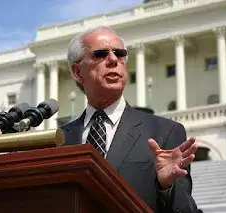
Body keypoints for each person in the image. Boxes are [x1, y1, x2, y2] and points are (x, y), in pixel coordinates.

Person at [60, 26, 199, 213]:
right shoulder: (60, 141)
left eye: (120, 53)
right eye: (101, 54)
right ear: (77, 72)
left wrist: (167, 187)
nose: (113, 59)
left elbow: (187, 210)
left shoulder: (165, 132)